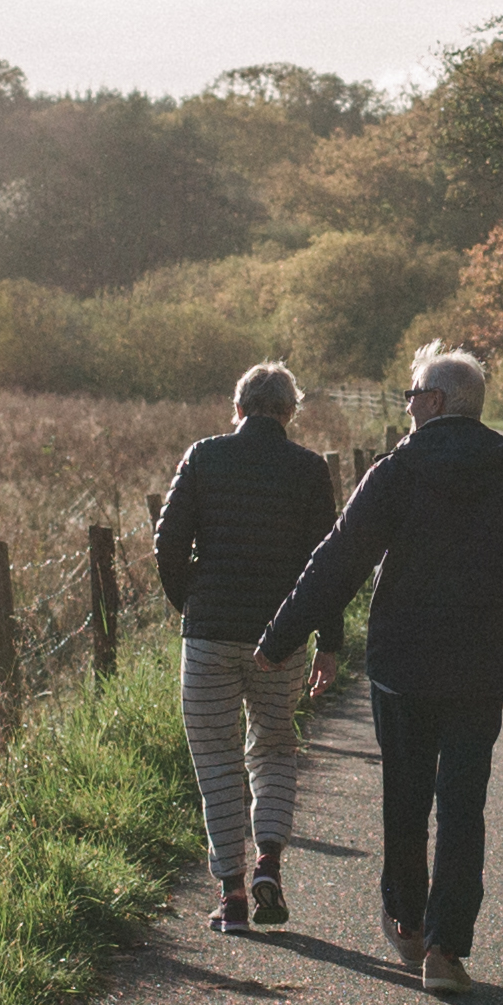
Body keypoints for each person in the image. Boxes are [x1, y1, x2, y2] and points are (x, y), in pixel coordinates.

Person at [258, 345, 503, 990]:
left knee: (406, 796)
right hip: (478, 671)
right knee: (462, 805)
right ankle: (446, 952)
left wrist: (280, 636)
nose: (406, 402)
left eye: (411, 392)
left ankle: (407, 922)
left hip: (402, 667)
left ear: (434, 402)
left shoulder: (396, 475)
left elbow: (338, 560)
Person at [150, 361, 343, 924]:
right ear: (289, 412)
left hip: (209, 635)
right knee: (276, 748)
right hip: (278, 638)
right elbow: (325, 565)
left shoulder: (203, 456)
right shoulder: (309, 470)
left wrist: (191, 601)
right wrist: (327, 644)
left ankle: (231, 895)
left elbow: (167, 545)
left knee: (215, 760)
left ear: (237, 409)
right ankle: (269, 866)